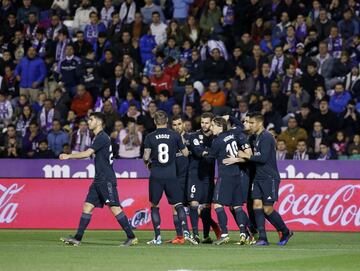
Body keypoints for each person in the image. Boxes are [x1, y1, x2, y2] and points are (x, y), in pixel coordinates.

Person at [59, 112, 138, 246]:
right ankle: (77, 238)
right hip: (98, 180)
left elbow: (88, 153)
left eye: (91, 119)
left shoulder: (102, 137)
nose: (88, 122)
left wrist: (69, 156)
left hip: (106, 179)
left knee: (115, 208)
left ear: (99, 122)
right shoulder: (97, 138)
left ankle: (132, 237)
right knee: (87, 206)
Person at [143, 110, 197, 245]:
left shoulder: (149, 136)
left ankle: (157, 238)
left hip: (156, 175)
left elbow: (145, 157)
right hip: (171, 175)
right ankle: (185, 233)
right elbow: (185, 153)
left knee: (155, 205)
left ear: (155, 121)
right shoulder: (174, 135)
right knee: (178, 204)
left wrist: (149, 164)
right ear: (166, 121)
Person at [237, 112, 293, 246]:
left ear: (259, 123)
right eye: (248, 123)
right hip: (258, 177)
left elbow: (262, 158)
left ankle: (285, 231)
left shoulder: (267, 137)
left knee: (267, 209)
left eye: (252, 123)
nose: (249, 125)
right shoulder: (254, 137)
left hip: (269, 177)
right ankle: (263, 238)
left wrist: (245, 156)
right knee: (256, 205)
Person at [206, 115, 251, 245]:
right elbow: (241, 126)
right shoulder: (233, 133)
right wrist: (230, 116)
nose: (211, 127)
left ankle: (224, 234)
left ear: (220, 126)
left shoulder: (217, 141)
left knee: (218, 204)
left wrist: (203, 152)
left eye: (213, 125)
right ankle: (244, 234)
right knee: (237, 205)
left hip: (225, 175)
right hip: (237, 173)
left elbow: (210, 157)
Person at [186, 112, 220, 243]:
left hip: (208, 176)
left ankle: (206, 236)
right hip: (195, 174)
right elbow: (198, 151)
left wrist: (209, 151)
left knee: (206, 207)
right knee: (193, 203)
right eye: (202, 122)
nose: (204, 125)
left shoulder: (216, 137)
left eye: (206, 123)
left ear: (212, 123)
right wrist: (210, 151)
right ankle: (195, 234)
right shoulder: (195, 136)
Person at [167, 116, 189, 244]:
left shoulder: (191, 138)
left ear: (184, 124)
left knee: (196, 207)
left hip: (191, 178)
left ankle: (195, 234)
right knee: (175, 207)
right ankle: (180, 236)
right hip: (176, 177)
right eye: (174, 125)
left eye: (179, 124)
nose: (177, 127)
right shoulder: (170, 141)